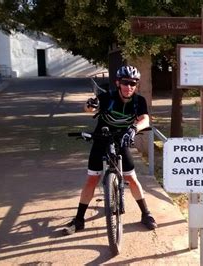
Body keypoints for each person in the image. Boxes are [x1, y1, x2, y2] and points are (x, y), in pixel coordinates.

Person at [63, 65, 157, 235]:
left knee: (132, 178)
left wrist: (134, 129)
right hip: (101, 140)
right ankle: (78, 219)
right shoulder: (107, 97)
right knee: (92, 180)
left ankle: (146, 214)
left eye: (133, 83)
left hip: (122, 140)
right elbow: (90, 108)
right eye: (125, 83)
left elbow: (145, 119)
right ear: (118, 83)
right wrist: (89, 105)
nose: (129, 87)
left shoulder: (138, 101)